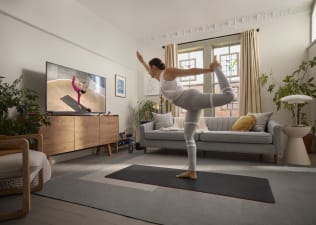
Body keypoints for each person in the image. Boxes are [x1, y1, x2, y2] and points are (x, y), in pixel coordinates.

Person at [136, 51, 234, 179]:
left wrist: (211, 70)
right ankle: (192, 171)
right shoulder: (159, 78)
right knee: (188, 136)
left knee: (229, 96)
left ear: (154, 67)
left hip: (192, 98)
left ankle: (217, 67)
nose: (149, 72)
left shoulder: (168, 72)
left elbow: (191, 71)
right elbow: (147, 69)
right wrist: (142, 60)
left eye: (150, 68)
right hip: (190, 106)